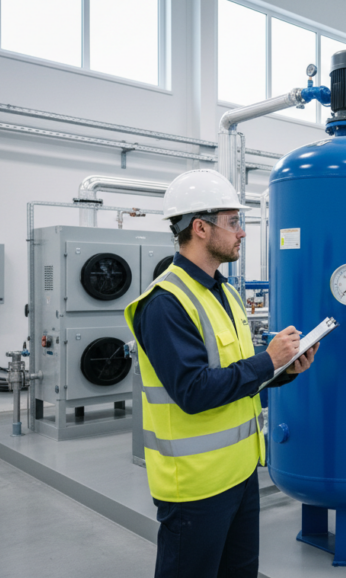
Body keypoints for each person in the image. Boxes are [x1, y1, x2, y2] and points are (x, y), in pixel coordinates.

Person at [124, 168, 318, 578]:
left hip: (242, 473)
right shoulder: (165, 304)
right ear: (199, 228)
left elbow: (239, 375)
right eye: (233, 223)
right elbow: (193, 391)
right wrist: (267, 360)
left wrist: (285, 369)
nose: (242, 233)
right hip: (194, 487)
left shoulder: (225, 293)